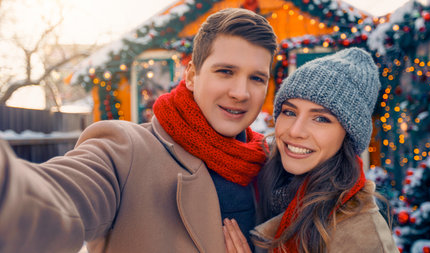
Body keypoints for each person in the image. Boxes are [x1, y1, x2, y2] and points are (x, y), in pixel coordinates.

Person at [0, 8, 277, 253]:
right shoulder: (126, 151)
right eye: (225, 71)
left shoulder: (270, 166)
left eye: (256, 78)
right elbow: (52, 204)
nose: (241, 93)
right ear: (191, 76)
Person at [223, 48, 399, 253]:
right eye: (289, 112)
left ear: (348, 136)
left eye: (321, 118)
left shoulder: (362, 235)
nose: (296, 131)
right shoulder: (259, 181)